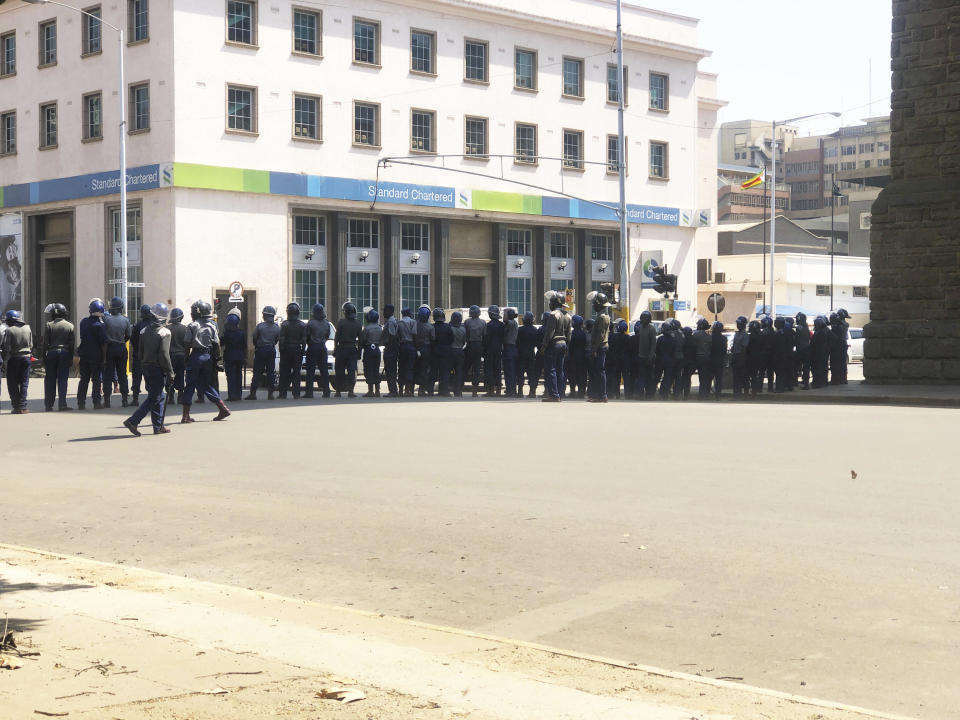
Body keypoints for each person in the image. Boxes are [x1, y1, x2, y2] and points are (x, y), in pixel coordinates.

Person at [123, 303, 175, 436]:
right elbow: (164, 354)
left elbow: (139, 351)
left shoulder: (143, 331)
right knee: (154, 397)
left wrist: (143, 362)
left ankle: (158, 426)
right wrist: (170, 372)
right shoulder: (165, 332)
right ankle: (133, 421)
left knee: (159, 396)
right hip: (157, 368)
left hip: (145, 366)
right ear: (164, 318)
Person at [180, 301, 230, 423]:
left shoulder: (192, 326)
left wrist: (186, 359)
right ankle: (222, 408)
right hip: (207, 357)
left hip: (196, 356)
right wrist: (217, 359)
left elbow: (187, 344)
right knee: (206, 385)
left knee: (190, 385)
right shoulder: (212, 325)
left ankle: (185, 415)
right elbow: (217, 345)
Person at [42, 303, 75, 411]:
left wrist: (44, 356)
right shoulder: (70, 326)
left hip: (51, 353)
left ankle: (48, 405)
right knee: (63, 379)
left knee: (50, 379)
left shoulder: (49, 325)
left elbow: (45, 343)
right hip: (65, 353)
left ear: (55, 314)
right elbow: (71, 345)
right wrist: (70, 358)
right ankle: (62, 404)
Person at [540, 290, 571, 402]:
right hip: (563, 344)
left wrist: (544, 346)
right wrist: (567, 346)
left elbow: (550, 332)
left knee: (551, 369)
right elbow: (569, 334)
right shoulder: (568, 315)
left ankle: (553, 394)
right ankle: (560, 393)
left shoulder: (553, 315)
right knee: (560, 370)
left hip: (554, 344)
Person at [102, 296, 132, 408]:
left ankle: (107, 400)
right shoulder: (125, 320)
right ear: (121, 308)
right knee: (122, 374)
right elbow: (128, 335)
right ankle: (124, 399)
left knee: (108, 375)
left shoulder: (106, 319)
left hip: (110, 349)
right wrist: (121, 341)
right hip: (121, 348)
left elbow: (103, 335)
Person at [77, 299, 106, 410]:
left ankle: (81, 402)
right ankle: (96, 403)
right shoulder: (100, 325)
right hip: (96, 355)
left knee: (84, 379)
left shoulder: (83, 322)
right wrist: (104, 358)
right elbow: (103, 343)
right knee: (96, 380)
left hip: (84, 354)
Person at [246, 306, 280, 400]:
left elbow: (254, 338)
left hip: (261, 350)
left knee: (257, 373)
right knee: (270, 373)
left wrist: (258, 346)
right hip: (271, 350)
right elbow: (277, 340)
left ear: (264, 315)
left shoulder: (260, 326)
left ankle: (253, 394)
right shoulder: (277, 328)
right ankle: (270, 394)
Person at [1, 309, 32, 414]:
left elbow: (6, 347)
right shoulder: (28, 328)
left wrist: (4, 362)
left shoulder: (9, 330)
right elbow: (31, 344)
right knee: (24, 383)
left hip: (14, 359)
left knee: (12, 383)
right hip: (26, 358)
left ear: (11, 320)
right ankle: (23, 407)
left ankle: (16, 407)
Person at [278, 302, 307, 399]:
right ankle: (296, 393)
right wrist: (303, 349)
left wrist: (281, 349)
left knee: (284, 373)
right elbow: (303, 339)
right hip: (297, 350)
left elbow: (282, 338)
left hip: (286, 350)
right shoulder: (302, 325)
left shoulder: (285, 324)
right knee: (296, 373)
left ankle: (283, 393)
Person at [303, 303, 332, 399]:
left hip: (313, 347)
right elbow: (327, 336)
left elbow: (306, 336)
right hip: (322, 347)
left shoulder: (311, 323)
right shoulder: (326, 323)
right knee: (324, 371)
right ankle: (326, 391)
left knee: (310, 371)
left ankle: (309, 393)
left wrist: (310, 343)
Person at [586, 291, 611, 403]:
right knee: (598, 371)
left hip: (600, 347)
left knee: (599, 371)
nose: (593, 306)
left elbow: (600, 336)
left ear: (599, 304)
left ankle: (602, 395)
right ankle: (599, 395)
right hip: (601, 346)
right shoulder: (605, 316)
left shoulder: (601, 317)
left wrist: (594, 350)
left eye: (595, 304)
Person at [334, 301, 362, 398]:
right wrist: (359, 352)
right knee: (352, 371)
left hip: (342, 348)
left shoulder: (341, 322)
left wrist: (335, 349)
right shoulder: (358, 324)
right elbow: (361, 340)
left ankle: (338, 391)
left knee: (339, 371)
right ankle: (351, 391)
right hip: (352, 349)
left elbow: (336, 337)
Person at [129, 304, 152, 404]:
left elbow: (132, 340)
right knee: (150, 377)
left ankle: (135, 399)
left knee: (136, 377)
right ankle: (152, 397)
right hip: (150, 356)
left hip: (138, 355)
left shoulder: (137, 325)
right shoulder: (153, 325)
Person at [221, 307, 246, 402]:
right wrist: (245, 356)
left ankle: (232, 395)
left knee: (231, 376)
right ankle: (238, 395)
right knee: (238, 375)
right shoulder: (241, 333)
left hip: (230, 356)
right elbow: (244, 345)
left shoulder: (227, 334)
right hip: (239, 356)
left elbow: (221, 343)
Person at [166, 308, 190, 404]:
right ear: (181, 317)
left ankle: (171, 397)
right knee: (180, 375)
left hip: (170, 356)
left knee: (170, 376)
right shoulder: (185, 328)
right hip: (181, 355)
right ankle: (180, 396)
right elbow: (188, 343)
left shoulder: (167, 328)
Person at [463, 305, 485, 398]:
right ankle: (474, 391)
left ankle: (459, 387)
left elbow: (465, 334)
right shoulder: (483, 322)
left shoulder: (467, 322)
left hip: (470, 345)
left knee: (465, 367)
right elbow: (485, 336)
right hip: (479, 346)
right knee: (476, 368)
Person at [634, 312, 657, 399]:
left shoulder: (652, 329)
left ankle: (649, 394)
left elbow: (653, 344)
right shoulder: (640, 328)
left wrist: (651, 356)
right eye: (641, 318)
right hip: (641, 357)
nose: (641, 320)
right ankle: (640, 394)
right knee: (641, 376)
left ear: (648, 319)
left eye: (643, 318)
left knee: (649, 377)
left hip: (648, 358)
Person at [361, 308, 383, 397]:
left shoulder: (366, 328)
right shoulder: (379, 328)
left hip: (369, 350)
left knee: (369, 370)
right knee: (376, 370)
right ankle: (377, 391)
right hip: (377, 349)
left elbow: (363, 340)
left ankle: (370, 391)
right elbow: (381, 340)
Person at [483, 305, 504, 397]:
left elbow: (486, 339)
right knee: (498, 370)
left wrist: (484, 349)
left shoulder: (489, 325)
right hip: (498, 350)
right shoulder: (502, 325)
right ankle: (498, 390)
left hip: (489, 350)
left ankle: (491, 390)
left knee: (489, 370)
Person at [379, 304, 399, 397]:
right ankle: (393, 390)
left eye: (385, 311)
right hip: (391, 350)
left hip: (390, 350)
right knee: (391, 371)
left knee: (390, 371)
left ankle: (393, 391)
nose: (383, 313)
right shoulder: (391, 321)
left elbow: (392, 336)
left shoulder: (391, 322)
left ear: (390, 312)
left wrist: (389, 349)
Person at [414, 305, 435, 396]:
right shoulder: (430, 327)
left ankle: (412, 389)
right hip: (427, 349)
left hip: (416, 348)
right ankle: (422, 389)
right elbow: (433, 338)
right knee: (425, 369)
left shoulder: (415, 325)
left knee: (416, 368)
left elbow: (413, 336)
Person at [516, 311, 538, 398]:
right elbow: (537, 343)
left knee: (520, 373)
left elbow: (516, 342)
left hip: (521, 353)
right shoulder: (535, 330)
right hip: (531, 354)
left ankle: (520, 392)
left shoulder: (520, 330)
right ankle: (532, 392)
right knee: (531, 374)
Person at [432, 307, 453, 397]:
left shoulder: (432, 327)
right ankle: (444, 391)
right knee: (445, 372)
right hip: (446, 351)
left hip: (435, 351)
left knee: (434, 371)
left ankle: (430, 390)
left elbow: (431, 339)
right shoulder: (448, 327)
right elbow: (451, 339)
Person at [398, 307, 417, 397]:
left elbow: (397, 336)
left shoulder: (399, 322)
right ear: (409, 313)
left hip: (402, 346)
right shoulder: (413, 322)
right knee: (409, 368)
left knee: (401, 368)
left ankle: (400, 390)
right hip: (411, 346)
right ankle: (407, 390)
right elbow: (414, 334)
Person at [566, 315, 587, 399]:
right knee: (581, 374)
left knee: (573, 375)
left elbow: (570, 345)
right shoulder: (583, 333)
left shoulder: (572, 333)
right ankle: (581, 392)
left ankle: (573, 391)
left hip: (573, 356)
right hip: (582, 356)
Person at [654, 321, 675, 400]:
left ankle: (652, 392)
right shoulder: (673, 340)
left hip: (660, 360)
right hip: (669, 361)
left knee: (657, 377)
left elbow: (657, 350)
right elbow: (674, 351)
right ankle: (664, 393)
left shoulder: (660, 339)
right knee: (667, 378)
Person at [448, 311, 466, 397]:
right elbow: (463, 342)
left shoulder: (450, 328)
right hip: (460, 351)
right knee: (459, 372)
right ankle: (458, 391)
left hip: (451, 351)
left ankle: (449, 387)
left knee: (449, 371)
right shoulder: (463, 329)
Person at [607, 319, 626, 399]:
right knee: (620, 377)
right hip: (620, 359)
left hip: (611, 359)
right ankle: (618, 394)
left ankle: (611, 393)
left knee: (611, 377)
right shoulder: (624, 337)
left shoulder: (608, 337)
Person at [502, 308, 519, 397]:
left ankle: (510, 391)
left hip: (509, 348)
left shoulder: (511, 322)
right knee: (511, 371)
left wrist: (505, 311)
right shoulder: (514, 323)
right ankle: (512, 389)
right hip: (512, 348)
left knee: (509, 371)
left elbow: (505, 320)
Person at [693, 319, 712, 400]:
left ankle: (701, 395)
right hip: (706, 358)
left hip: (697, 358)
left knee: (699, 377)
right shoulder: (708, 336)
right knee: (704, 378)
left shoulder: (695, 335)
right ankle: (704, 394)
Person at [731, 315, 750, 399]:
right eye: (737, 324)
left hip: (741, 358)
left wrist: (741, 359)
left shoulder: (745, 335)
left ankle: (745, 394)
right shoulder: (737, 334)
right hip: (735, 357)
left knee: (743, 377)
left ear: (744, 325)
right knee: (736, 378)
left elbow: (744, 347)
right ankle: (736, 394)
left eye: (739, 324)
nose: (738, 325)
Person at [709, 321, 727, 400]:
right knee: (719, 379)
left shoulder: (710, 337)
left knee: (708, 378)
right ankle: (718, 395)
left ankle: (706, 394)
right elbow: (724, 351)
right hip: (720, 360)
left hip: (711, 360)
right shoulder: (724, 338)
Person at [811, 316, 831, 388]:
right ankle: (821, 382)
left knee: (819, 368)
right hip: (821, 353)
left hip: (820, 353)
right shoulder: (821, 331)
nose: (814, 326)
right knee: (821, 368)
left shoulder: (821, 333)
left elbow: (817, 344)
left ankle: (819, 382)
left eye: (815, 324)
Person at [746, 320, 764, 397]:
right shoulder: (762, 335)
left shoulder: (751, 336)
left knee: (749, 376)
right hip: (759, 358)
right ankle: (754, 391)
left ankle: (749, 391)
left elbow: (747, 347)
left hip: (751, 358)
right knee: (755, 375)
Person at [794, 312, 812, 390]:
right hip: (807, 349)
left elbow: (797, 339)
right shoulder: (806, 327)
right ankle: (806, 382)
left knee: (797, 367)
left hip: (801, 349)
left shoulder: (799, 328)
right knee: (806, 367)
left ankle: (798, 382)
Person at [680, 326, 698, 400]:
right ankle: (686, 393)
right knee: (687, 377)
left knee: (683, 377)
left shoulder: (684, 340)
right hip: (692, 362)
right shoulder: (694, 341)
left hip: (685, 361)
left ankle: (681, 392)